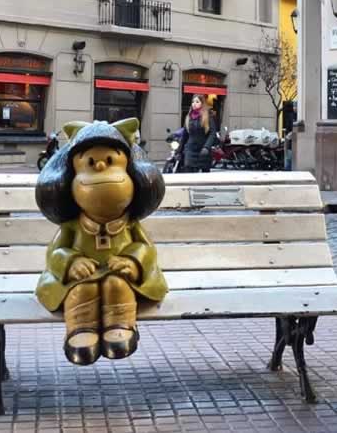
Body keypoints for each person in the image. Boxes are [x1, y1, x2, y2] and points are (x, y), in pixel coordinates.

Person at [35, 118, 168, 366]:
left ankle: (121, 323)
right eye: (89, 163)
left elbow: (146, 247)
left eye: (109, 161)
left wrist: (133, 261)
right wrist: (70, 261)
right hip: (81, 278)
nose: (99, 167)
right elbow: (56, 252)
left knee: (117, 285)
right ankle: (80, 327)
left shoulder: (130, 224)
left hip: (121, 275)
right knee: (81, 290)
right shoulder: (73, 226)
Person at [180, 94, 218, 173]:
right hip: (190, 149)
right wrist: (179, 151)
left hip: (203, 150)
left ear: (202, 103)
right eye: (193, 102)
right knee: (188, 168)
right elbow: (184, 136)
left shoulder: (208, 116)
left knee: (204, 173)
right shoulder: (188, 117)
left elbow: (212, 133)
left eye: (197, 102)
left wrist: (206, 147)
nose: (194, 104)